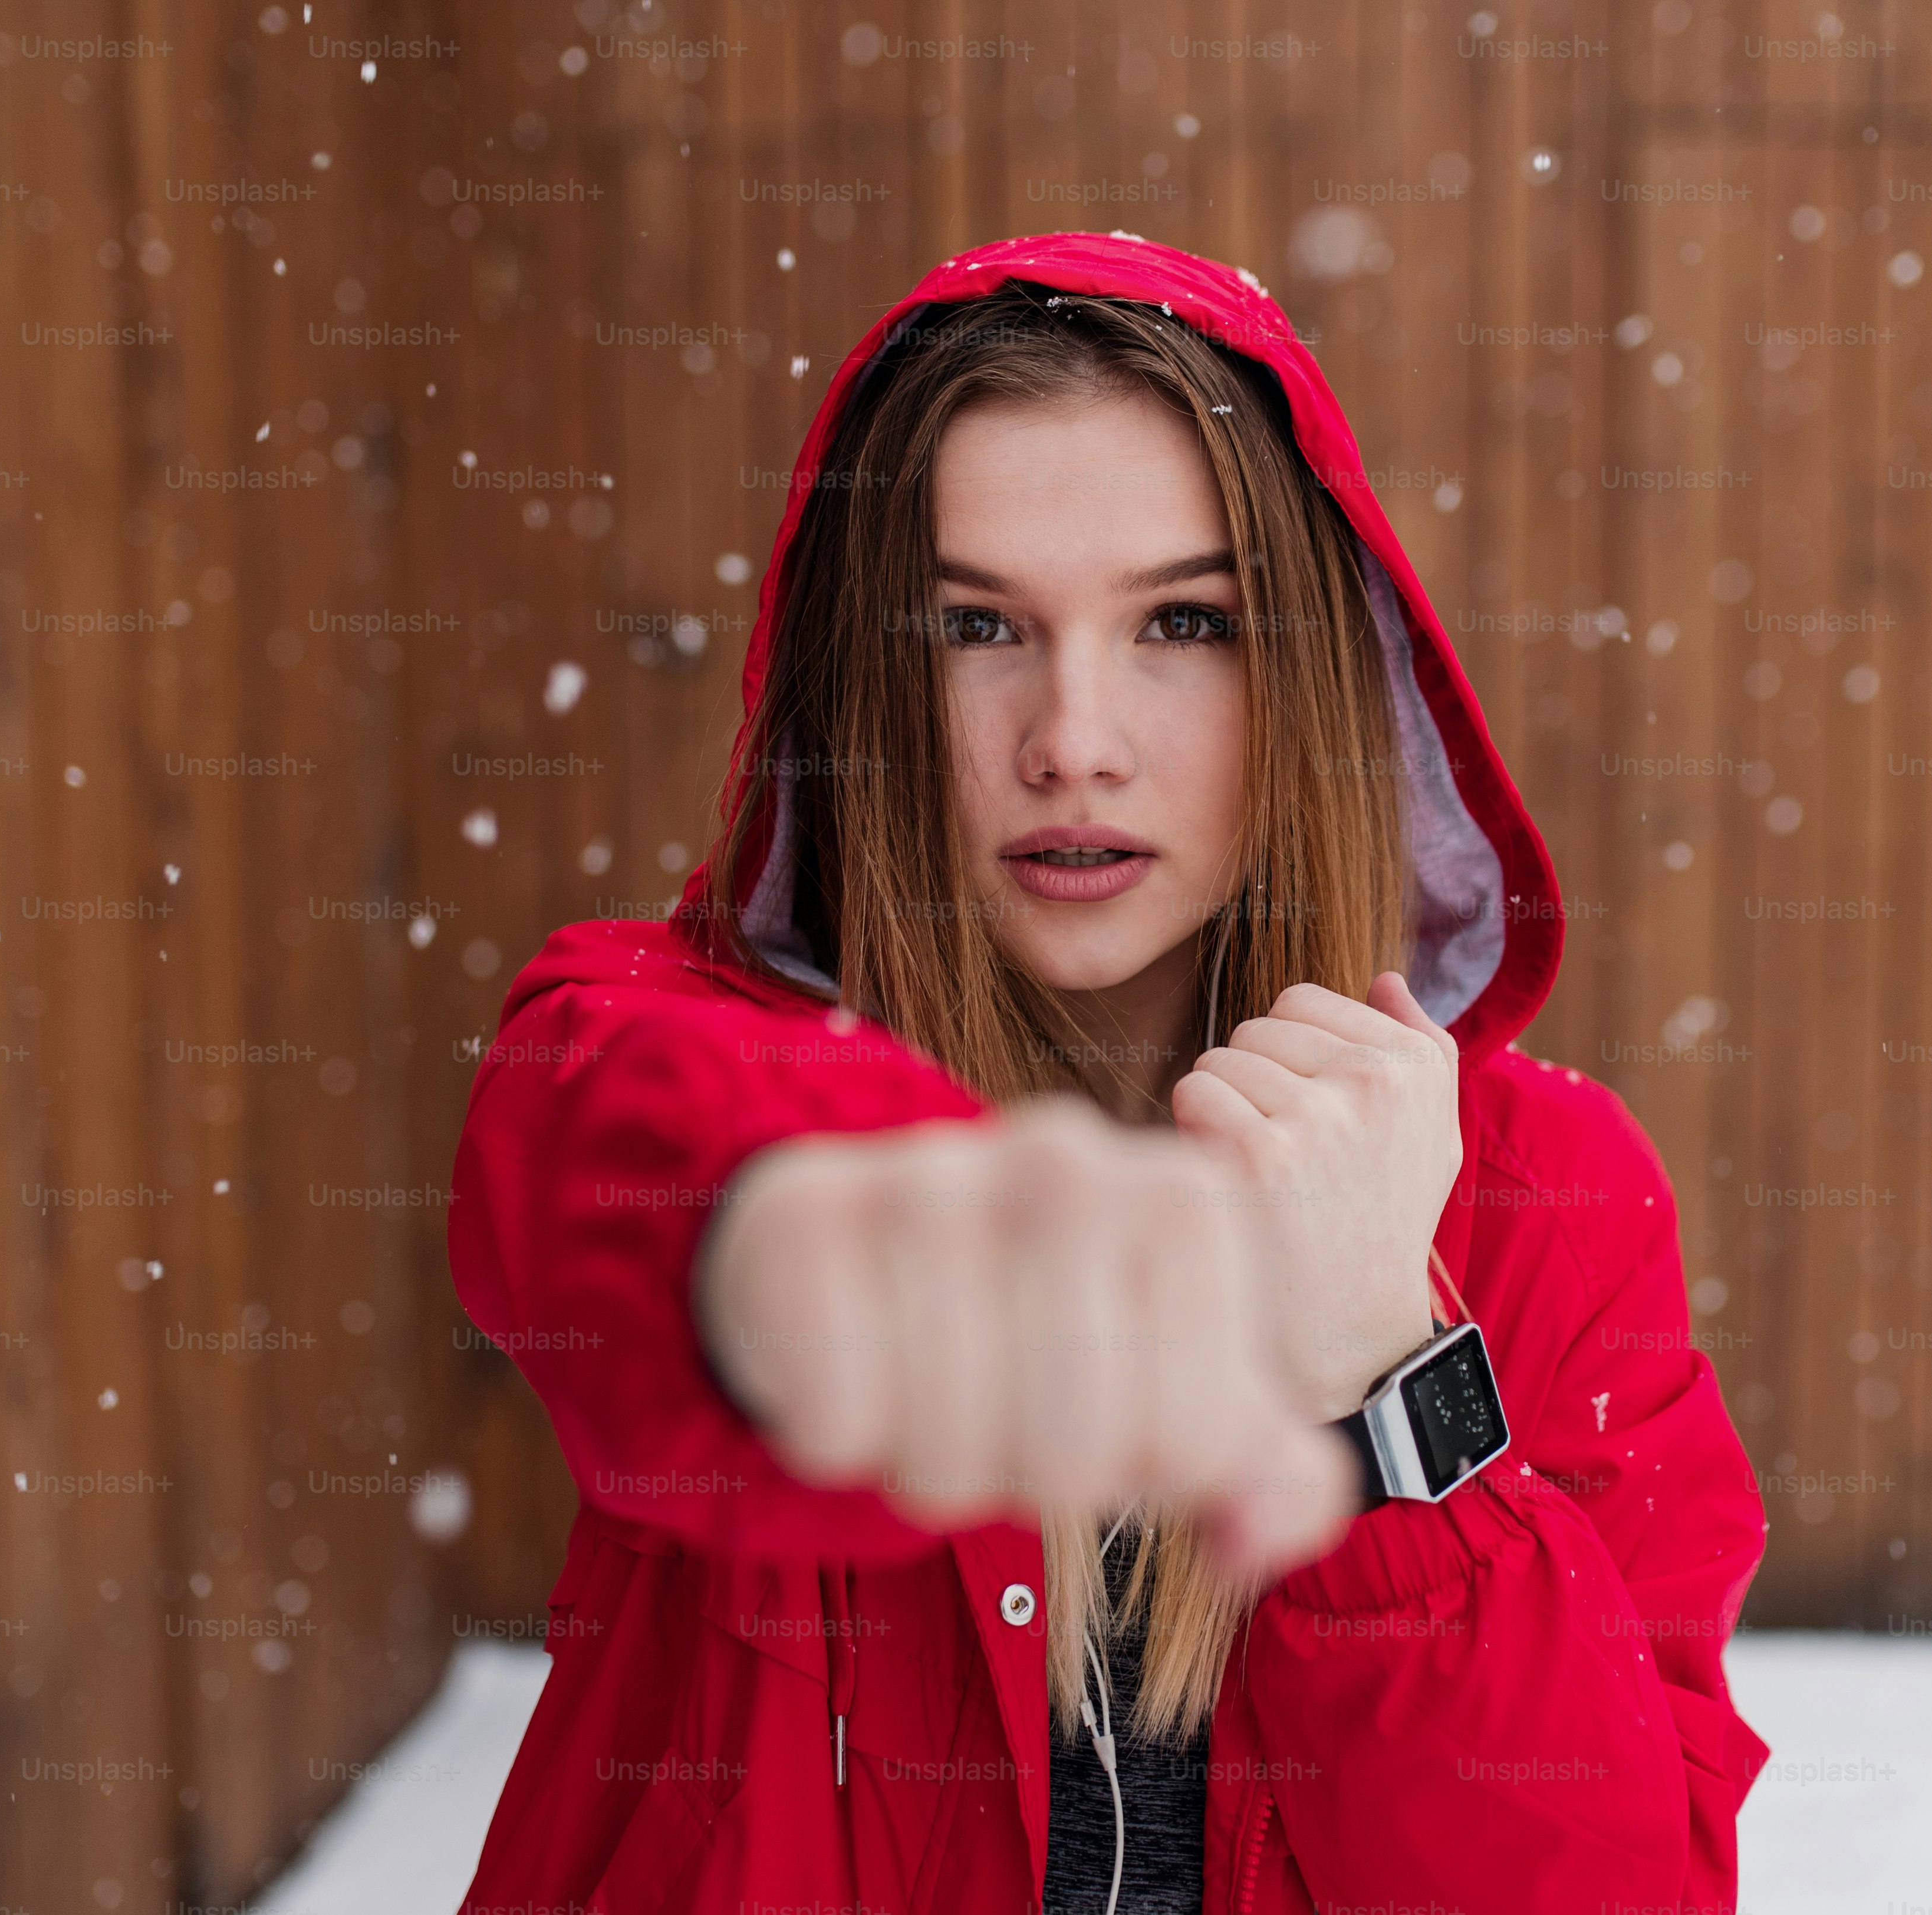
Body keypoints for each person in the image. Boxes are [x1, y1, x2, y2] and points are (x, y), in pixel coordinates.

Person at [449, 232, 1769, 1915]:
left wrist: (1387, 1376)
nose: (1071, 735)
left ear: (1310, 669)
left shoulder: (1542, 1195)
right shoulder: (657, 1036)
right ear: (864, 678)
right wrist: (797, 1231)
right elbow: (580, 1155)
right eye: (976, 623)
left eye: (1181, 621)